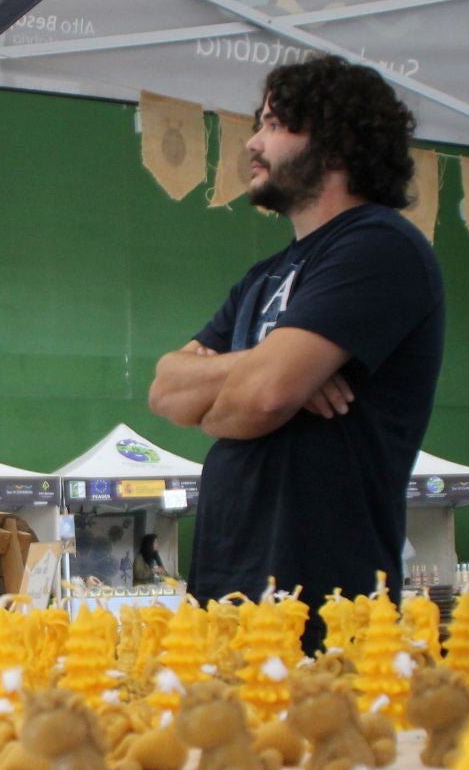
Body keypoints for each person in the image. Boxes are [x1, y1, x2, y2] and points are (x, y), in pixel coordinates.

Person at [147, 54, 444, 651]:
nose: (254, 142)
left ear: (339, 143)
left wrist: (256, 381)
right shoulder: (264, 275)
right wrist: (269, 360)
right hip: (228, 582)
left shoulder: (379, 246)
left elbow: (263, 396)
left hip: (322, 598)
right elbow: (165, 391)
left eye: (277, 124)